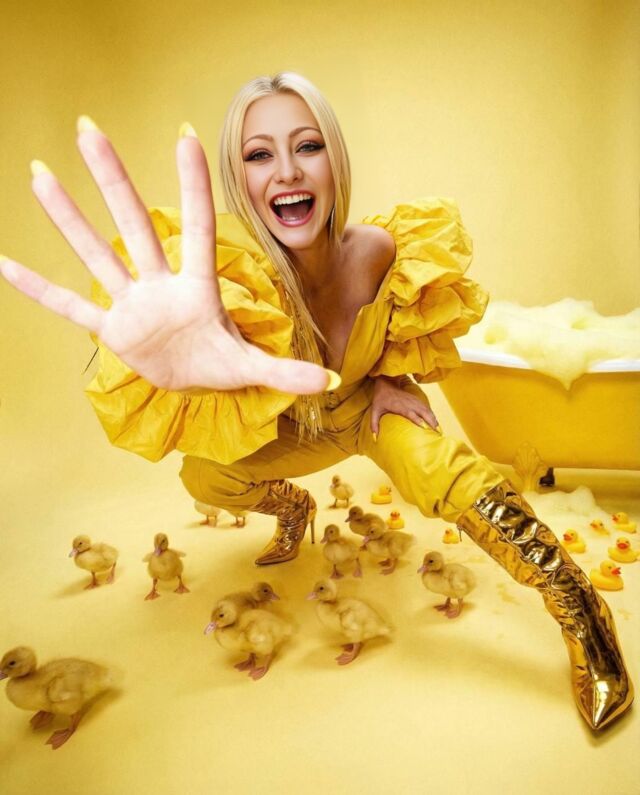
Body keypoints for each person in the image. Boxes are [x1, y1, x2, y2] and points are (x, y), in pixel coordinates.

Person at [0, 72, 632, 731]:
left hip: (365, 413)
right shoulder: (233, 281)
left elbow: (401, 327)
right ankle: (293, 508)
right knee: (203, 476)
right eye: (259, 154)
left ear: (335, 159)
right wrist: (181, 371)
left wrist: (387, 374)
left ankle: (581, 610)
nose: (286, 171)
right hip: (288, 428)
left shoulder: (383, 251)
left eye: (307, 145)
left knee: (443, 468)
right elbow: (213, 376)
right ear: (239, 178)